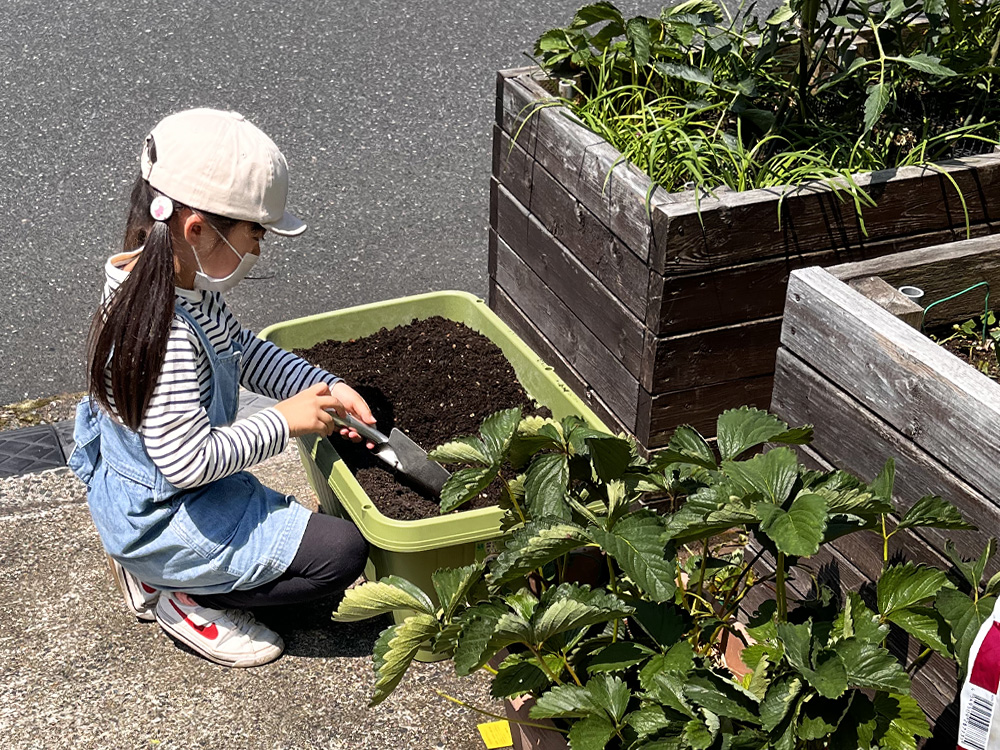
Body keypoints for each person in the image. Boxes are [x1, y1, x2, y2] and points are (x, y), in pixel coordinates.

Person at [69, 108, 373, 668]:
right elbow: (186, 465)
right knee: (342, 557)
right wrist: (285, 420)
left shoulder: (160, 280)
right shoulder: (168, 337)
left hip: (140, 491)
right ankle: (184, 597)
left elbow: (245, 350)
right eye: (254, 232)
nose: (257, 249)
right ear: (197, 229)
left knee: (321, 548)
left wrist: (325, 385)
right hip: (168, 512)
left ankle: (153, 569)